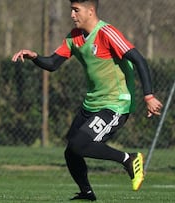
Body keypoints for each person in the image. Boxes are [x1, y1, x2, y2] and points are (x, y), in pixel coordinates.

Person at [12, 0, 163, 201]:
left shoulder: (107, 33)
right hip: (91, 105)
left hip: (115, 105)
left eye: (76, 10)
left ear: (91, 11)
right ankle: (87, 193)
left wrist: (149, 96)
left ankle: (129, 159)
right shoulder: (74, 37)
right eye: (71, 10)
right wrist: (35, 57)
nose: (72, 15)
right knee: (71, 152)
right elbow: (53, 63)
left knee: (79, 144)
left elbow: (139, 60)